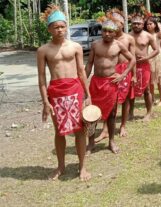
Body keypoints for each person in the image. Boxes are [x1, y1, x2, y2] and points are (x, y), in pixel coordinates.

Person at [37, 5, 91, 181]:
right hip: (56, 92)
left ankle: (82, 167)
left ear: (66, 27)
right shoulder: (43, 50)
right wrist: (45, 101)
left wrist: (87, 94)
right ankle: (61, 166)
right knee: (59, 131)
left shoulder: (75, 47)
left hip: (75, 89)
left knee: (80, 130)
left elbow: (82, 72)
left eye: (62, 26)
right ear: (49, 29)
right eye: (56, 27)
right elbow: (42, 78)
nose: (59, 30)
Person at [85, 17, 136, 154]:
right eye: (105, 31)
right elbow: (89, 63)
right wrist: (84, 80)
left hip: (110, 83)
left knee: (112, 114)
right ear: (102, 31)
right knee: (91, 114)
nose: (107, 34)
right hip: (96, 83)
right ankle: (90, 143)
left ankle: (111, 141)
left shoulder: (119, 45)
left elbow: (132, 59)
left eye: (110, 31)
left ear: (115, 33)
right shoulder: (95, 45)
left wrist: (123, 74)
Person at [129, 15, 159, 121]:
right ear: (131, 24)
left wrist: (146, 57)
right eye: (134, 23)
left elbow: (156, 50)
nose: (136, 25)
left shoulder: (148, 36)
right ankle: (130, 112)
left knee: (146, 90)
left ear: (143, 24)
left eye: (139, 23)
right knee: (130, 89)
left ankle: (149, 112)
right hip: (131, 65)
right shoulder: (128, 36)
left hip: (144, 65)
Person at [145, 16, 161, 106]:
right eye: (147, 24)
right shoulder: (145, 35)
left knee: (159, 80)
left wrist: (159, 25)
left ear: (155, 25)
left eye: (151, 24)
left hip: (157, 57)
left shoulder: (157, 34)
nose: (149, 26)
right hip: (148, 57)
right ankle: (152, 99)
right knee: (151, 81)